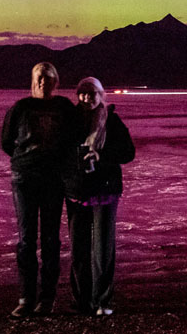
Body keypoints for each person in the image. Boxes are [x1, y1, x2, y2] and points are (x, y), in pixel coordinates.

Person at [0, 62, 74, 317]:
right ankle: (25, 298)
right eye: (39, 77)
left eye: (49, 77)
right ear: (33, 80)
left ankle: (47, 299)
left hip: (53, 180)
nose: (44, 82)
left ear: (56, 82)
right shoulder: (21, 108)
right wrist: (28, 161)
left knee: (51, 240)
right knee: (26, 239)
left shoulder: (64, 107)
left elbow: (76, 136)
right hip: (25, 178)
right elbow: (6, 142)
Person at [65, 77, 135, 316]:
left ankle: (102, 301)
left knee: (102, 249)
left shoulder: (111, 121)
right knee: (79, 248)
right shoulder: (70, 120)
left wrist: (101, 156)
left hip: (105, 190)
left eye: (92, 93)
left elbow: (128, 152)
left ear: (101, 95)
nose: (87, 98)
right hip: (77, 190)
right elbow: (60, 151)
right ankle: (82, 300)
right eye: (82, 93)